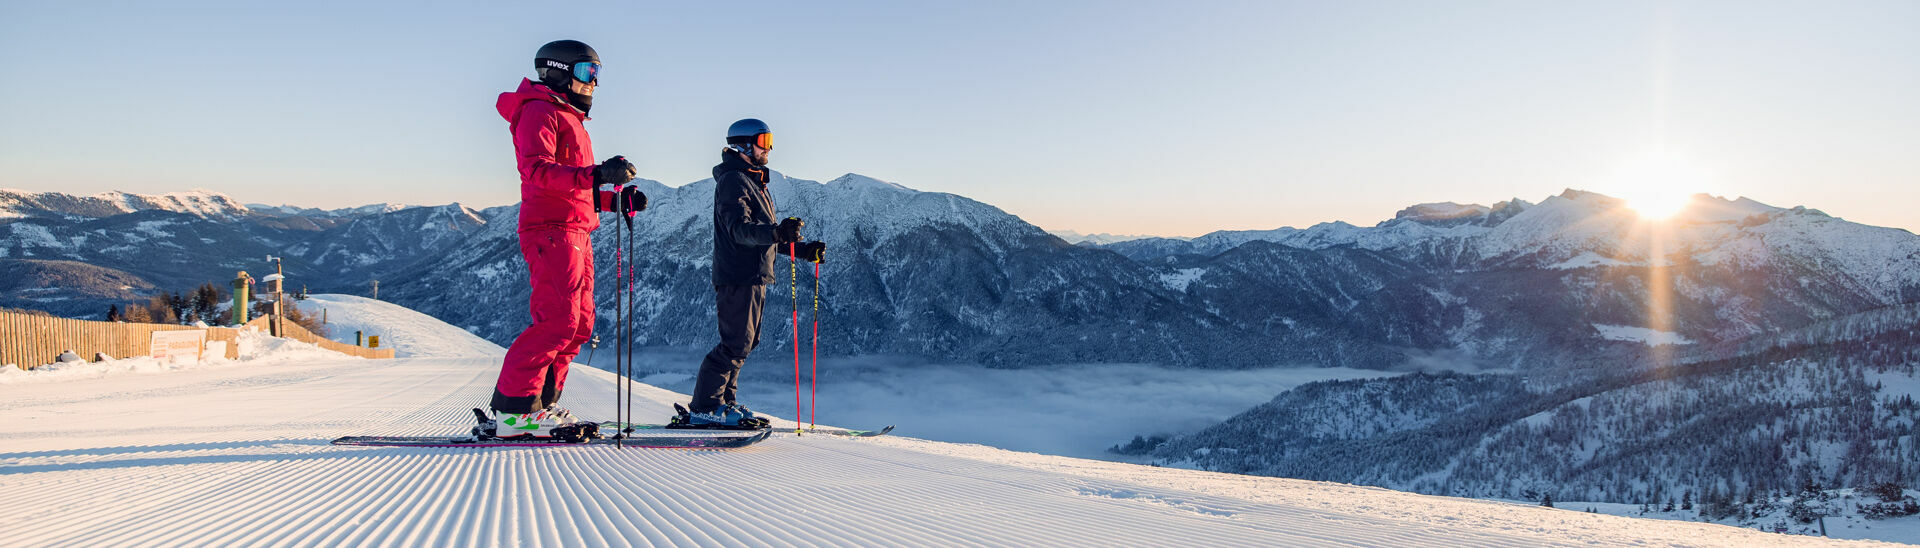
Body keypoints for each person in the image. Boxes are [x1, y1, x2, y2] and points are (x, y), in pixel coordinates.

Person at [489, 39, 647, 438]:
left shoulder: (569, 117)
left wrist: (613, 198)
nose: (593, 82)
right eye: (585, 72)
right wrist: (596, 175)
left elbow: (574, 188)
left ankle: (541, 405)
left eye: (596, 74)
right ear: (559, 71)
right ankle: (513, 413)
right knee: (557, 322)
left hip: (577, 230)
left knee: (579, 326)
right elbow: (538, 172)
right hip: (551, 230)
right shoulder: (539, 112)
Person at [686, 118, 825, 427]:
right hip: (738, 274)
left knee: (746, 343)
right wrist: (777, 232)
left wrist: (803, 250)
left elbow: (765, 239)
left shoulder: (753, 182)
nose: (769, 147)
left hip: (754, 274)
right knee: (734, 344)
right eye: (764, 140)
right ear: (744, 144)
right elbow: (739, 231)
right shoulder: (734, 180)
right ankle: (705, 407)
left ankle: (725, 402)